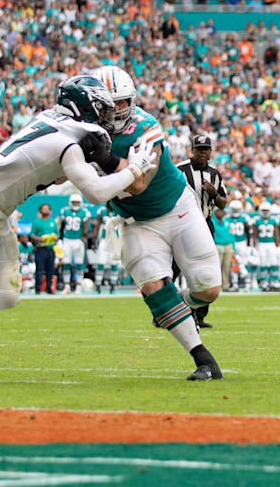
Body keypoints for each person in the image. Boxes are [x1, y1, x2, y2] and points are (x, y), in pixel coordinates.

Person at [0, 75, 156, 381]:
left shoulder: (52, 122)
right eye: (100, 109)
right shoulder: (68, 140)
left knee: (6, 296)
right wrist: (134, 168)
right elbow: (96, 193)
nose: (105, 118)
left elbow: (57, 174)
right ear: (83, 108)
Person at [94, 65, 224, 380]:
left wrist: (102, 160)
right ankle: (204, 360)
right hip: (136, 222)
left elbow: (139, 184)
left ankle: (172, 305)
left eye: (122, 103)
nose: (116, 111)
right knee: (153, 285)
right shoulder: (78, 135)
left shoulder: (144, 125)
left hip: (177, 208)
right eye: (108, 105)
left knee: (208, 289)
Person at [176, 133, 227, 327]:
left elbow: (223, 203)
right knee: (174, 267)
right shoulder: (179, 170)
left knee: (207, 269)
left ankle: (199, 315)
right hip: (182, 224)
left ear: (211, 152)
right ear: (192, 150)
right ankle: (164, 311)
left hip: (205, 223)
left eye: (206, 150)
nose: (203, 154)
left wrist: (214, 194)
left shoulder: (214, 174)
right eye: (199, 150)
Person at [58, 194, 91, 294]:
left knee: (79, 263)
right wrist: (60, 238)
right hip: (67, 239)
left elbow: (85, 227)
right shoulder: (65, 211)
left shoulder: (84, 212)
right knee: (66, 262)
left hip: (78, 240)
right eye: (74, 202)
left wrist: (83, 238)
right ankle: (67, 286)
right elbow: (61, 225)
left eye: (77, 202)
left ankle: (78, 286)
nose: (75, 204)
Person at [30, 203, 59, 295]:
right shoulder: (37, 222)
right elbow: (31, 234)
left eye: (47, 209)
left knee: (50, 269)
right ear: (40, 211)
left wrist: (54, 237)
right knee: (39, 269)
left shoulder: (53, 222)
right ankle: (38, 288)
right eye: (44, 209)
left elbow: (57, 234)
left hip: (50, 248)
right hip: (40, 248)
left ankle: (49, 287)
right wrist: (39, 239)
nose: (46, 210)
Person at [252, 202, 279, 290]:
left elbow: (276, 234)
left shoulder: (273, 220)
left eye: (267, 210)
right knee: (263, 263)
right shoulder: (257, 220)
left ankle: (274, 281)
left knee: (273, 262)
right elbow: (255, 235)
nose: (265, 212)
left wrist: (277, 246)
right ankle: (264, 282)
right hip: (262, 244)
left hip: (271, 243)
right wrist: (254, 247)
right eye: (263, 210)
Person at [225, 200, 251, 291]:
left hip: (242, 242)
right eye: (234, 209)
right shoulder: (227, 218)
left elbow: (248, 232)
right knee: (234, 263)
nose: (235, 211)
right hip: (232, 243)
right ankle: (235, 283)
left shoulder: (245, 218)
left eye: (237, 209)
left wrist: (249, 245)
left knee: (244, 262)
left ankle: (247, 283)